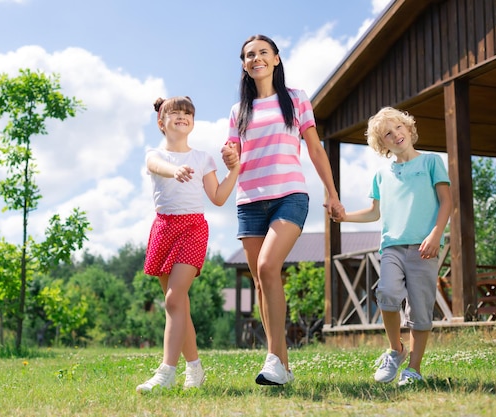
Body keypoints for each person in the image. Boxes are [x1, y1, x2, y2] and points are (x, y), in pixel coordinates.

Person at [221, 34, 344, 386]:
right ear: (244, 64)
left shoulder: (296, 99)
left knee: (267, 266)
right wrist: (230, 156)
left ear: (276, 58)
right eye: (249, 55)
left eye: (262, 52)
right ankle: (282, 366)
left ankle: (273, 359)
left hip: (289, 195)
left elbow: (316, 150)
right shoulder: (238, 111)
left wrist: (332, 194)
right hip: (249, 201)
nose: (256, 58)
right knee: (262, 280)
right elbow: (234, 155)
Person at [334, 106, 452, 386]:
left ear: (409, 129)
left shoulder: (432, 162)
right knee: (386, 293)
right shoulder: (381, 176)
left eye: (398, 128)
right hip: (392, 247)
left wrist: (436, 234)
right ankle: (396, 349)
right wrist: (344, 216)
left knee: (420, 310)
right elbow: (375, 213)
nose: (395, 134)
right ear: (382, 144)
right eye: (387, 134)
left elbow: (447, 202)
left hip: (424, 247)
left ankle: (414, 369)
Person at [136, 96, 240, 392]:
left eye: (187, 113)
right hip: (164, 228)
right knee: (178, 305)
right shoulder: (153, 154)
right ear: (162, 122)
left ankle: (166, 372)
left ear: (192, 122)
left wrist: (234, 170)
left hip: (193, 228)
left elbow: (218, 197)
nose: (182, 116)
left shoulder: (203, 158)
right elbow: (158, 166)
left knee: (172, 300)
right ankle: (194, 369)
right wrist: (175, 171)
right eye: (176, 113)